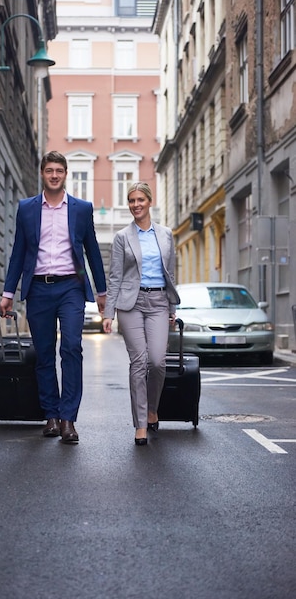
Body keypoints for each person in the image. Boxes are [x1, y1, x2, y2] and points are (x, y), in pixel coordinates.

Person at [0, 151, 106, 444]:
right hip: (38, 289)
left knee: (71, 348)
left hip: (70, 287)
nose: (55, 175)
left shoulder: (82, 209)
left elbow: (93, 252)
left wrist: (102, 292)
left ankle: (68, 419)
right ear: (43, 174)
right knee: (44, 354)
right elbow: (18, 252)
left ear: (66, 174)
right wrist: (8, 292)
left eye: (59, 170)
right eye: (50, 170)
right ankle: (51, 415)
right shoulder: (27, 209)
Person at [102, 182, 180, 446]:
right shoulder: (122, 237)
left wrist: (172, 308)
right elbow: (114, 277)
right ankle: (140, 424)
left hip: (158, 301)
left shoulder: (166, 234)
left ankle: (152, 408)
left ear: (149, 201)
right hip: (131, 304)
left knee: (157, 362)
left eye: (140, 200)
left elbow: (170, 274)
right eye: (131, 201)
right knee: (139, 362)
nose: (136, 205)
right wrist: (108, 313)